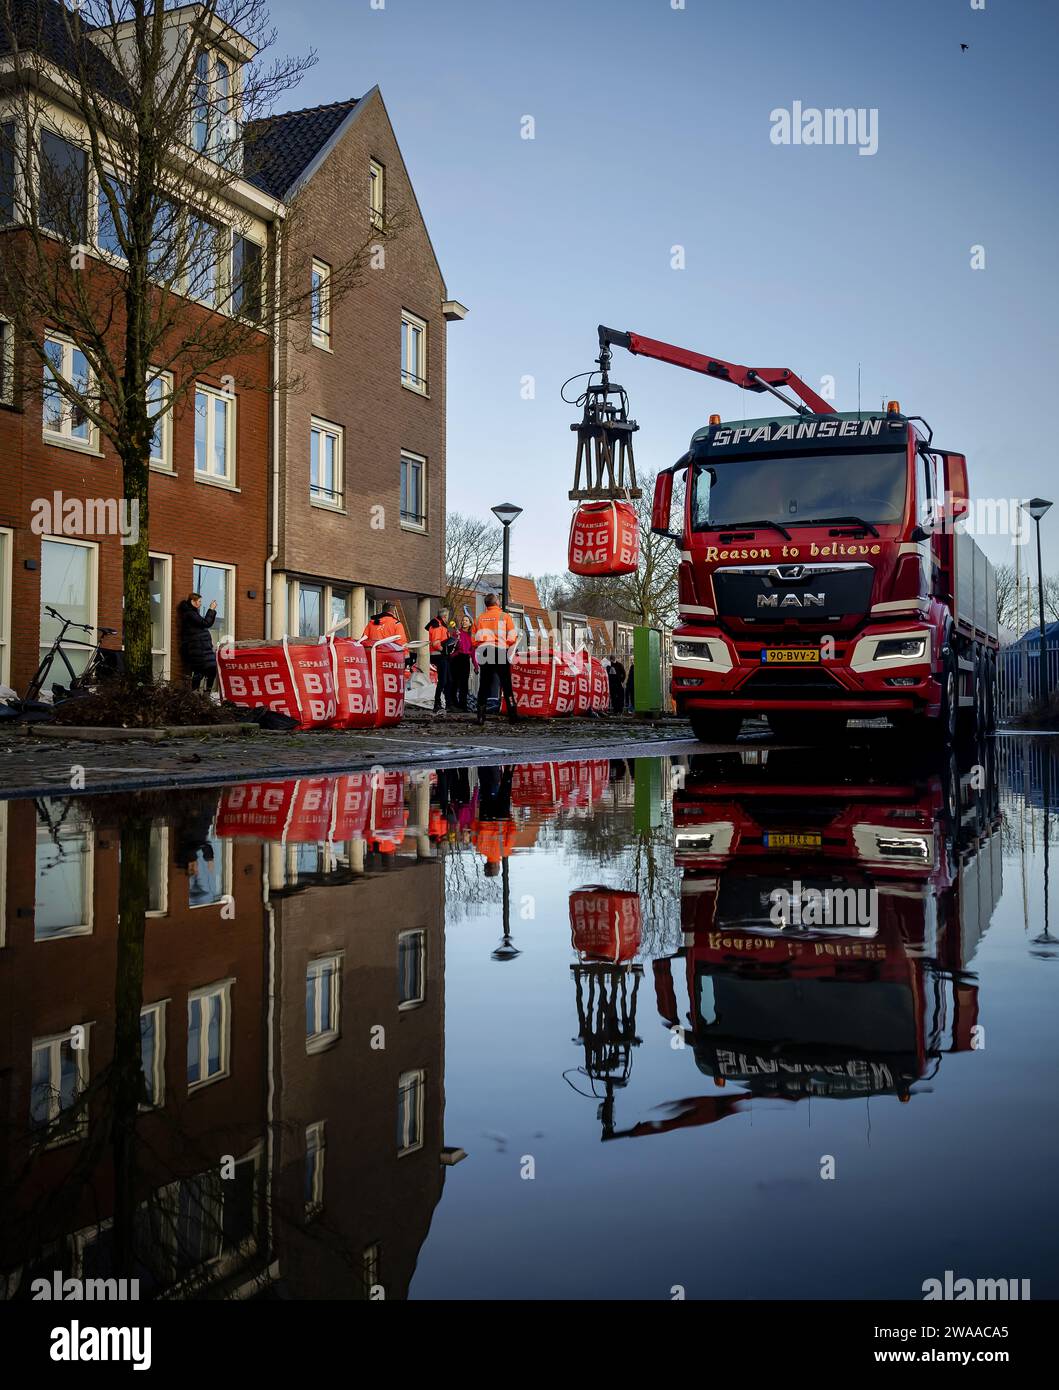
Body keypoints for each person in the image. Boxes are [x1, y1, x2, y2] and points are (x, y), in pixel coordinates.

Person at [472, 594, 520, 725]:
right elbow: (512, 637)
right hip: (499, 650)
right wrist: (507, 645)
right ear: (496, 603)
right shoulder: (504, 617)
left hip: (484, 651)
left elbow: (474, 640)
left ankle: (480, 717)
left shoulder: (478, 619)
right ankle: (513, 715)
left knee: (484, 685)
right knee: (506, 684)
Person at [177, 592, 218, 692]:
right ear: (193, 602)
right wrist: (211, 609)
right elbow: (206, 623)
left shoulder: (193, 613)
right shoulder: (190, 614)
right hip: (198, 649)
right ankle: (200, 693)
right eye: (199, 601)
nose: (200, 603)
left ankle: (200, 693)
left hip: (202, 648)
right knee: (205, 670)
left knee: (203, 671)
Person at [426, 607, 456, 714]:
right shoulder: (437, 626)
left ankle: (448, 704)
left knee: (448, 680)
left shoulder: (440, 625)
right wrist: (445, 650)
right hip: (439, 656)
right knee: (443, 680)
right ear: (445, 616)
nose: (448, 619)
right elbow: (435, 643)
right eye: (447, 616)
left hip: (442, 656)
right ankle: (437, 703)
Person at [450, 615, 475, 711]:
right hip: (456, 659)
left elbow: (472, 652)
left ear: (470, 623)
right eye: (463, 620)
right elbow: (453, 646)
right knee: (454, 682)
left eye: (466, 620)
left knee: (464, 684)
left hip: (465, 659)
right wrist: (456, 638)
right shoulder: (456, 632)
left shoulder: (471, 636)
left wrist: (476, 665)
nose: (464, 622)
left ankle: (463, 704)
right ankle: (454, 703)